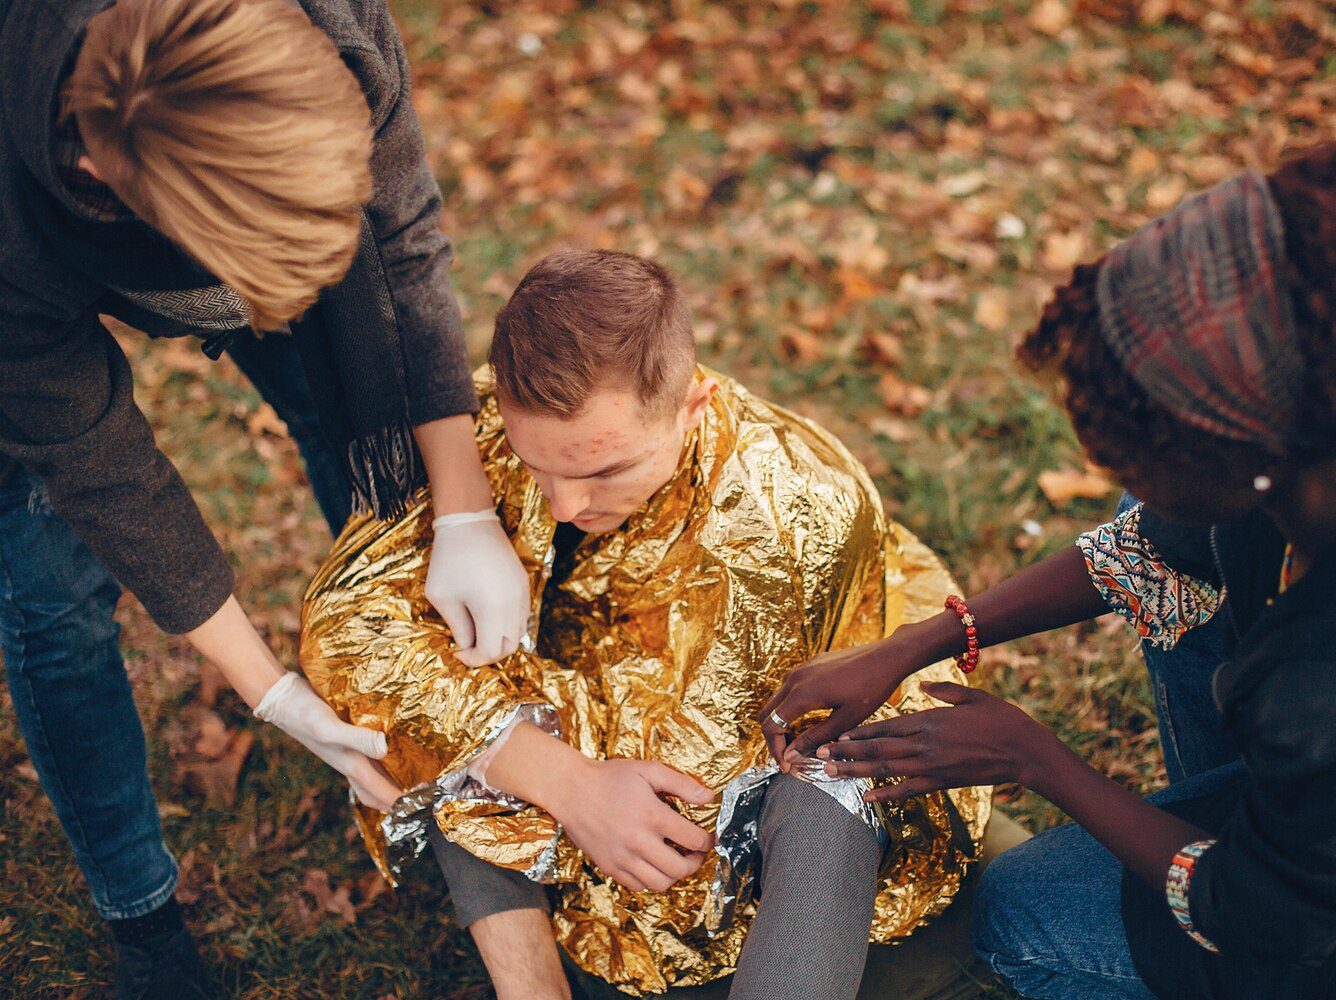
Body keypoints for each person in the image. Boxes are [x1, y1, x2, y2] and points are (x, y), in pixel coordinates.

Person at [761, 132, 1336, 998]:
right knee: (1177, 544)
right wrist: (918, 641)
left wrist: (1039, 760)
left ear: (1254, 453)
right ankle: (1220, 805)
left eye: (1133, 457)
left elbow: (1256, 917)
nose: (1115, 471)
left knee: (1022, 914)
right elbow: (1150, 545)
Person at [0, 0, 531, 993]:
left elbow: (404, 240)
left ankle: (472, 791)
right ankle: (140, 917)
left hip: (238, 206)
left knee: (370, 438)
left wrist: (459, 509)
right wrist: (272, 689)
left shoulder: (328, 21)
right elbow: (96, 460)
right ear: (106, 182)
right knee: (50, 585)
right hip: (33, 291)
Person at [298, 249, 990, 999]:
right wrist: (558, 777)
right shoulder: (489, 428)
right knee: (429, 675)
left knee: (819, 803)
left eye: (603, 473)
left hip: (770, 760)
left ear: (694, 406)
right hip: (589, 756)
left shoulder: (789, 519)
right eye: (540, 469)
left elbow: (695, 793)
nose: (564, 506)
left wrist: (496, 740)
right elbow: (348, 626)